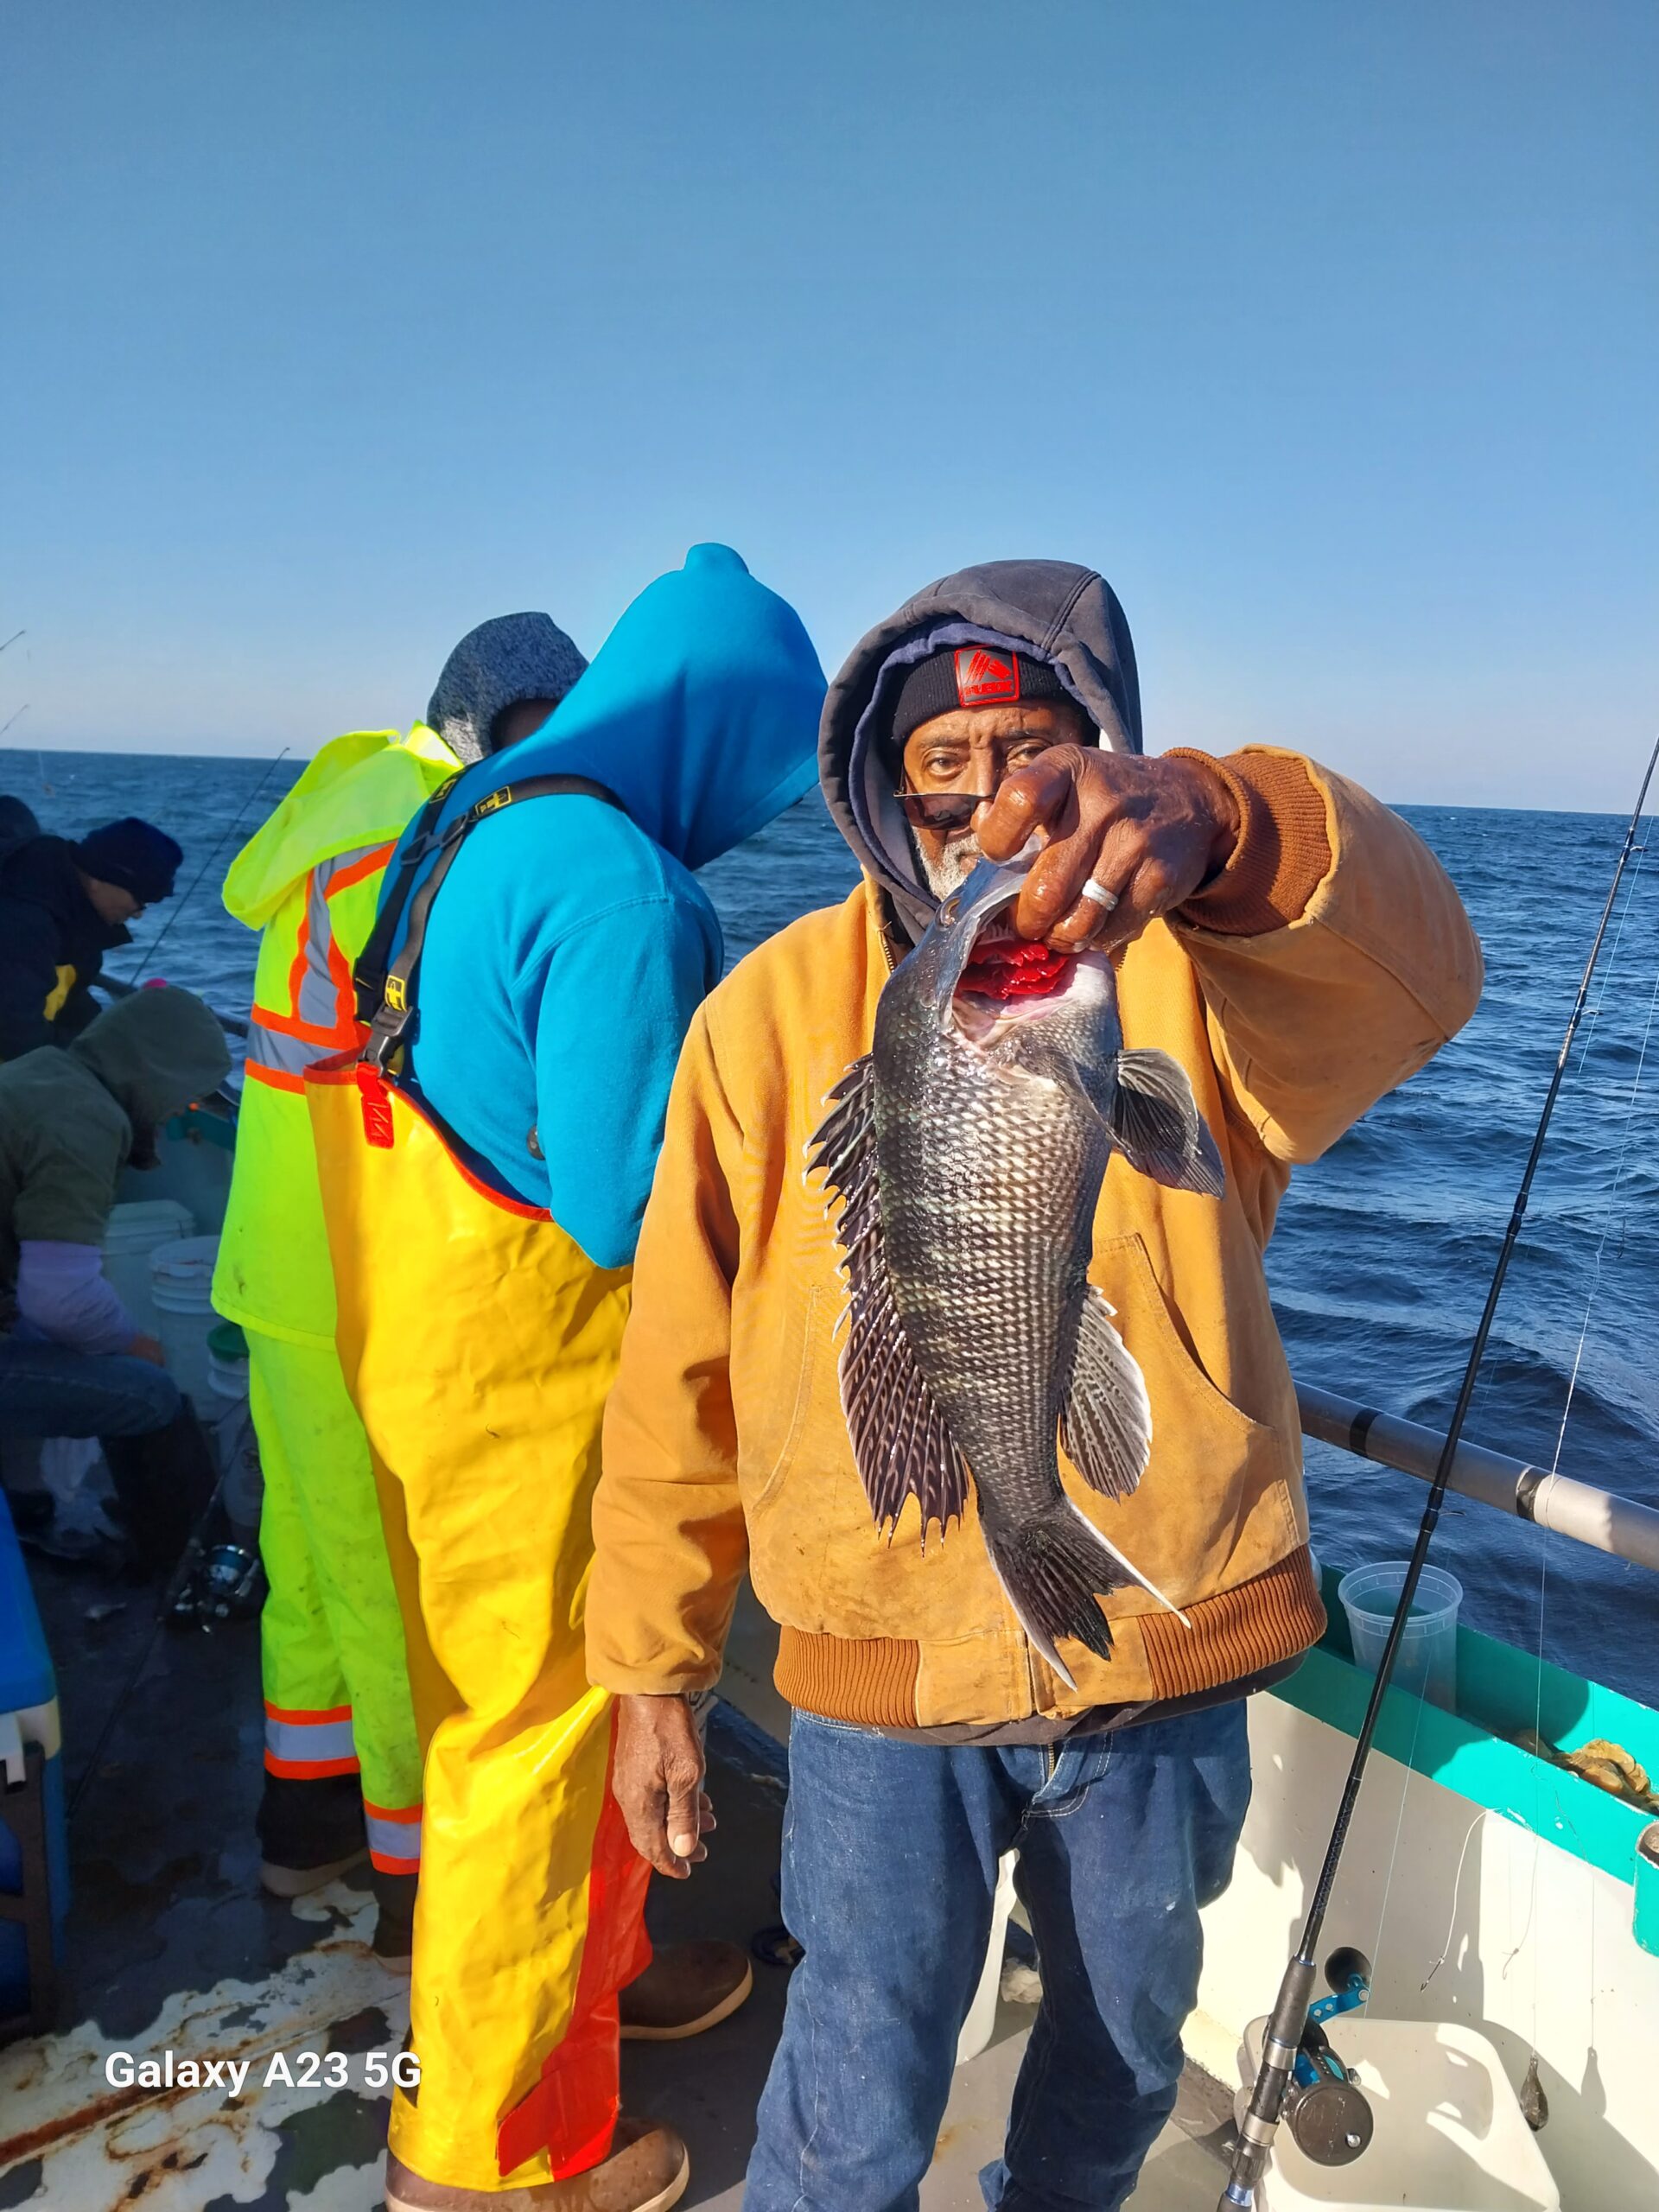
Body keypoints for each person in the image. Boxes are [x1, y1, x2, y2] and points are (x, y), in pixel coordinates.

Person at [586, 560, 1485, 2212]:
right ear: (879, 784)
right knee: (849, 2090)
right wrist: (653, 1667)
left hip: (1163, 1643)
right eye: (943, 761)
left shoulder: (1215, 973)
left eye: (1039, 753)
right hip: (876, 1681)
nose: (991, 799)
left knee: (1127, 2055)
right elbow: (676, 1380)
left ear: (1109, 759)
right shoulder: (764, 1016)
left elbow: (1429, 972)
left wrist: (1220, 817)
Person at [306, 544, 825, 2212]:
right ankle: (489, 2162)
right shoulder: (623, 881)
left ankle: (584, 1997)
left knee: (523, 1731)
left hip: (431, 1363)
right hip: (538, 1394)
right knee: (530, 1762)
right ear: (725, 732)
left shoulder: (480, 825)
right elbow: (620, 1205)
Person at [211, 615, 588, 1955]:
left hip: (273, 1260)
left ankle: (298, 1823)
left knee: (307, 1565)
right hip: (358, 1275)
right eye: (541, 731)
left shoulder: (344, 809)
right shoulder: (438, 837)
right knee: (387, 1592)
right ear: (483, 727)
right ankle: (419, 1891)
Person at [0, 987, 230, 1570]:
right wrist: (135, 1345)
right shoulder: (86, 1120)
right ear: (155, 1071)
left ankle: (25, 1510)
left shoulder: (41, 1071)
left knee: (46, 1346)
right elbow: (59, 1298)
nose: (182, 1110)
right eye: (184, 1094)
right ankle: (181, 1563)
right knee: (147, 1392)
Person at [0, 817, 183, 1059]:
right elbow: (18, 1035)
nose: (138, 913)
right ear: (100, 877)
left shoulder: (77, 921)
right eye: (142, 897)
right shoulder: (24, 924)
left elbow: (74, 1009)